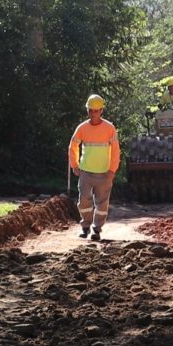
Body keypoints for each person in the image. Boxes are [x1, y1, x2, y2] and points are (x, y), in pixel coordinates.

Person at [69, 94, 120, 241]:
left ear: (101, 111)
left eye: (96, 111)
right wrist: (75, 165)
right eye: (90, 110)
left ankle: (96, 230)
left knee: (102, 204)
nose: (93, 113)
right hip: (86, 172)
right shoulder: (82, 128)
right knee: (84, 200)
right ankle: (85, 226)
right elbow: (72, 146)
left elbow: (116, 150)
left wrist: (112, 170)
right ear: (87, 110)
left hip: (104, 173)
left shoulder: (110, 128)